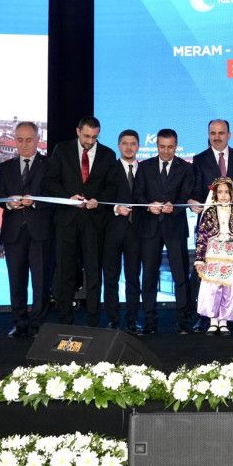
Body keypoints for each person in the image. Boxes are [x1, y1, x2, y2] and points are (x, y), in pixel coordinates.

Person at [43, 116, 116, 325]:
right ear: (77, 131)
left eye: (94, 137)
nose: (90, 141)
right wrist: (68, 197)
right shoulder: (61, 150)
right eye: (86, 136)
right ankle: (65, 319)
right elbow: (49, 182)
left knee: (93, 273)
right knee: (64, 272)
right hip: (66, 221)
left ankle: (93, 321)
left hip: (94, 223)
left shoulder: (108, 154)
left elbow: (112, 187)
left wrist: (98, 201)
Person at [133, 128, 195, 335]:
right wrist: (148, 205)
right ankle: (149, 321)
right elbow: (137, 194)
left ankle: (183, 321)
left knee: (180, 276)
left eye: (170, 147)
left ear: (176, 146)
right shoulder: (144, 166)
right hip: (150, 228)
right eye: (162, 147)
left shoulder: (186, 168)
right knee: (149, 275)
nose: (166, 151)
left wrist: (174, 206)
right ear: (156, 146)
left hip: (175, 227)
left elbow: (186, 195)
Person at [0, 121, 52, 338]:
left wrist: (36, 201)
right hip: (13, 232)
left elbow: (55, 195)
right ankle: (20, 323)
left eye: (29, 140)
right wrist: (9, 203)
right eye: (20, 140)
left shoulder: (49, 165)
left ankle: (38, 324)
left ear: (38, 140)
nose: (24, 144)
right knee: (16, 280)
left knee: (41, 281)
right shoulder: (5, 167)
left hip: (40, 231)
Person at [194, 177, 233, 335]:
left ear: (231, 193)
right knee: (212, 289)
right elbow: (202, 236)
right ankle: (213, 321)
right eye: (220, 192)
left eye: (226, 192)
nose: (223, 195)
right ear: (215, 194)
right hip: (213, 254)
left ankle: (224, 321)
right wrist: (200, 259)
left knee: (229, 289)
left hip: (231, 254)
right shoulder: (209, 212)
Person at [102, 129, 142, 331]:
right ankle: (113, 320)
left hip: (137, 233)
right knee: (111, 278)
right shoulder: (109, 169)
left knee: (133, 278)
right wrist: (116, 208)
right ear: (119, 145)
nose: (129, 147)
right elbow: (102, 197)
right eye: (125, 143)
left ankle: (132, 320)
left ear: (138, 146)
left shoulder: (145, 170)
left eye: (133, 143)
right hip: (113, 232)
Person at [189, 119, 233, 207]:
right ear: (208, 135)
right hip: (209, 213)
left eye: (221, 133)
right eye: (213, 133)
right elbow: (197, 190)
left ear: (229, 135)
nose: (217, 137)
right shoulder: (199, 160)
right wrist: (193, 202)